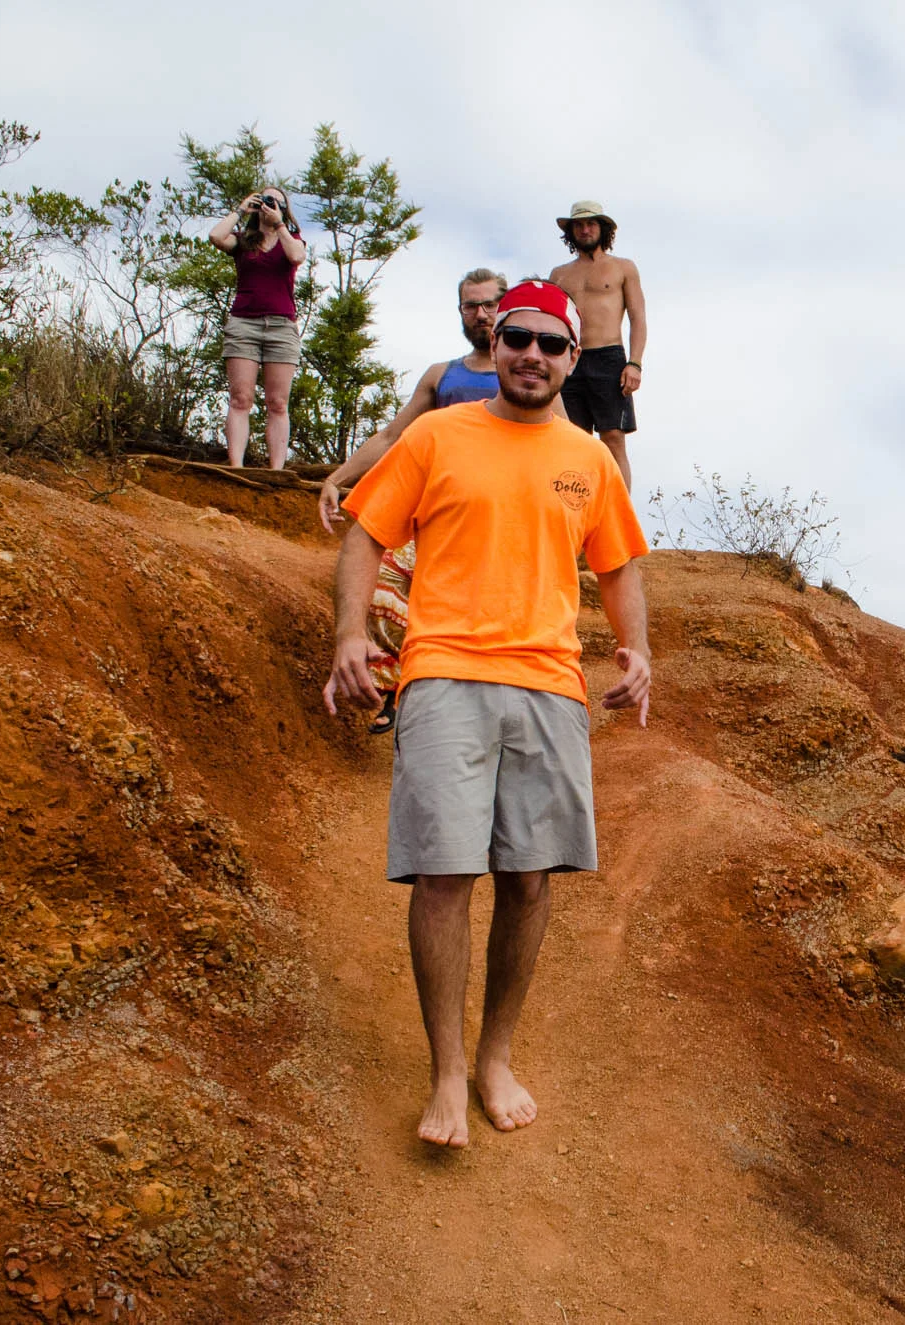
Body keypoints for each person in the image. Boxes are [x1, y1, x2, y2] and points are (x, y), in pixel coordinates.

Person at [322, 279, 652, 1149]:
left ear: (574, 359)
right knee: (442, 875)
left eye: (551, 345)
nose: (533, 357)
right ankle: (445, 1071)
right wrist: (350, 636)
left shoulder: (590, 458)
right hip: (442, 674)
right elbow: (366, 533)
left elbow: (617, 568)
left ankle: (495, 1054)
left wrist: (636, 648)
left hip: (550, 685)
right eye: (519, 339)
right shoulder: (436, 435)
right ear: (494, 344)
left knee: (530, 876)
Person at [317, 267, 522, 735]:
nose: (481, 314)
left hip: (499, 525)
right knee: (378, 586)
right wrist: (338, 477)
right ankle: (403, 681)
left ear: (505, 306)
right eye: (471, 305)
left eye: (490, 304)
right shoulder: (442, 375)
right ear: (460, 312)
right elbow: (393, 435)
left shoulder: (529, 376)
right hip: (428, 516)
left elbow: (563, 442)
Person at [207, 187, 307, 469]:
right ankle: (236, 466)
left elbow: (297, 256)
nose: (269, 204)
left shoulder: (293, 239)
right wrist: (240, 210)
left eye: (276, 201)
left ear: (285, 209)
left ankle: (276, 471)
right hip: (244, 324)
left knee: (277, 402)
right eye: (265, 199)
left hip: (281, 327)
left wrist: (279, 223)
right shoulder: (243, 242)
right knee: (240, 398)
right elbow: (216, 237)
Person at [549, 201, 646, 486]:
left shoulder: (622, 268)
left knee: (613, 438)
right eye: (579, 224)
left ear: (602, 229)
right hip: (570, 359)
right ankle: (581, 511)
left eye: (591, 223)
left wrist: (635, 363)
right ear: (571, 231)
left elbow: (638, 318)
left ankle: (620, 518)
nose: (585, 229)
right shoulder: (559, 275)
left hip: (609, 357)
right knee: (573, 439)